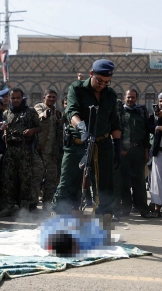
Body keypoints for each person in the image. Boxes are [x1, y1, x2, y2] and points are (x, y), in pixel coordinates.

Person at [51, 59, 121, 218]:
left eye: (107, 82)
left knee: (104, 188)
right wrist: (82, 129)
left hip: (102, 146)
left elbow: (114, 123)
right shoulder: (76, 88)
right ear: (91, 74)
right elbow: (72, 112)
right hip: (78, 145)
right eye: (99, 81)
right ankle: (58, 225)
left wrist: (117, 146)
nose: (102, 85)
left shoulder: (110, 95)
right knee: (67, 184)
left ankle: (104, 228)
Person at [0, 88, 41, 217]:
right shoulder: (6, 113)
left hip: (25, 149)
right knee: (8, 178)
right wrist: (3, 131)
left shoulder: (30, 112)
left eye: (18, 98)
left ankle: (24, 207)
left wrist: (32, 131)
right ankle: (9, 206)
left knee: (25, 178)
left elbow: (39, 127)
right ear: (9, 99)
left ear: (22, 98)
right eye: (13, 98)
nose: (15, 100)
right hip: (10, 149)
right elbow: (4, 128)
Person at [117, 89, 151, 218]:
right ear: (124, 98)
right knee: (124, 181)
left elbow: (146, 133)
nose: (130, 99)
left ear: (136, 98)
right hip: (124, 151)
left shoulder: (141, 112)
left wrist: (146, 150)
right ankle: (125, 208)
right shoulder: (120, 112)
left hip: (138, 150)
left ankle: (142, 208)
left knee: (140, 182)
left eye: (133, 97)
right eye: (128, 97)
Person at [32, 89, 61, 211]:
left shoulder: (57, 113)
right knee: (36, 178)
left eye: (54, 97)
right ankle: (32, 204)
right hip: (39, 150)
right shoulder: (39, 107)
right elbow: (39, 116)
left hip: (51, 152)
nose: (52, 99)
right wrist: (44, 115)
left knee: (51, 179)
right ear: (44, 97)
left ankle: (47, 204)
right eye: (49, 97)